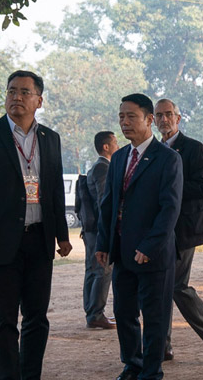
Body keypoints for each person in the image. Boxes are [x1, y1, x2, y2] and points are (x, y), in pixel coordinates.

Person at [0, 70, 72, 379]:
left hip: (39, 240)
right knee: (2, 320)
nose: (16, 97)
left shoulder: (50, 138)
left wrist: (62, 235)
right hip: (0, 242)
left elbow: (54, 191)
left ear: (39, 100)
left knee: (37, 318)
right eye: (11, 91)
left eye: (24, 92)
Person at [95, 93, 183, 380]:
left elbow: (170, 209)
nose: (124, 122)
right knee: (124, 313)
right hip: (122, 251)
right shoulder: (119, 157)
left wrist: (150, 245)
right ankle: (132, 365)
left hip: (153, 254)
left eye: (131, 116)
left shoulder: (168, 159)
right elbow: (108, 204)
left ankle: (151, 371)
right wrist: (103, 243)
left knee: (155, 317)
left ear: (149, 120)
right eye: (121, 116)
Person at [153, 98, 203, 364]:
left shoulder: (194, 148)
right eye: (158, 115)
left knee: (176, 286)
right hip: (158, 230)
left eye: (168, 115)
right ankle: (163, 346)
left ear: (178, 118)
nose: (164, 120)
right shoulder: (153, 149)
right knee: (159, 287)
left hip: (184, 230)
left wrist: (171, 188)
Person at [81, 131, 119, 330]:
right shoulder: (103, 168)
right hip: (99, 229)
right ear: (106, 146)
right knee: (102, 270)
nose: (118, 145)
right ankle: (96, 313)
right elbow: (105, 201)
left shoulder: (96, 167)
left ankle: (92, 312)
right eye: (115, 142)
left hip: (91, 229)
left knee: (93, 269)